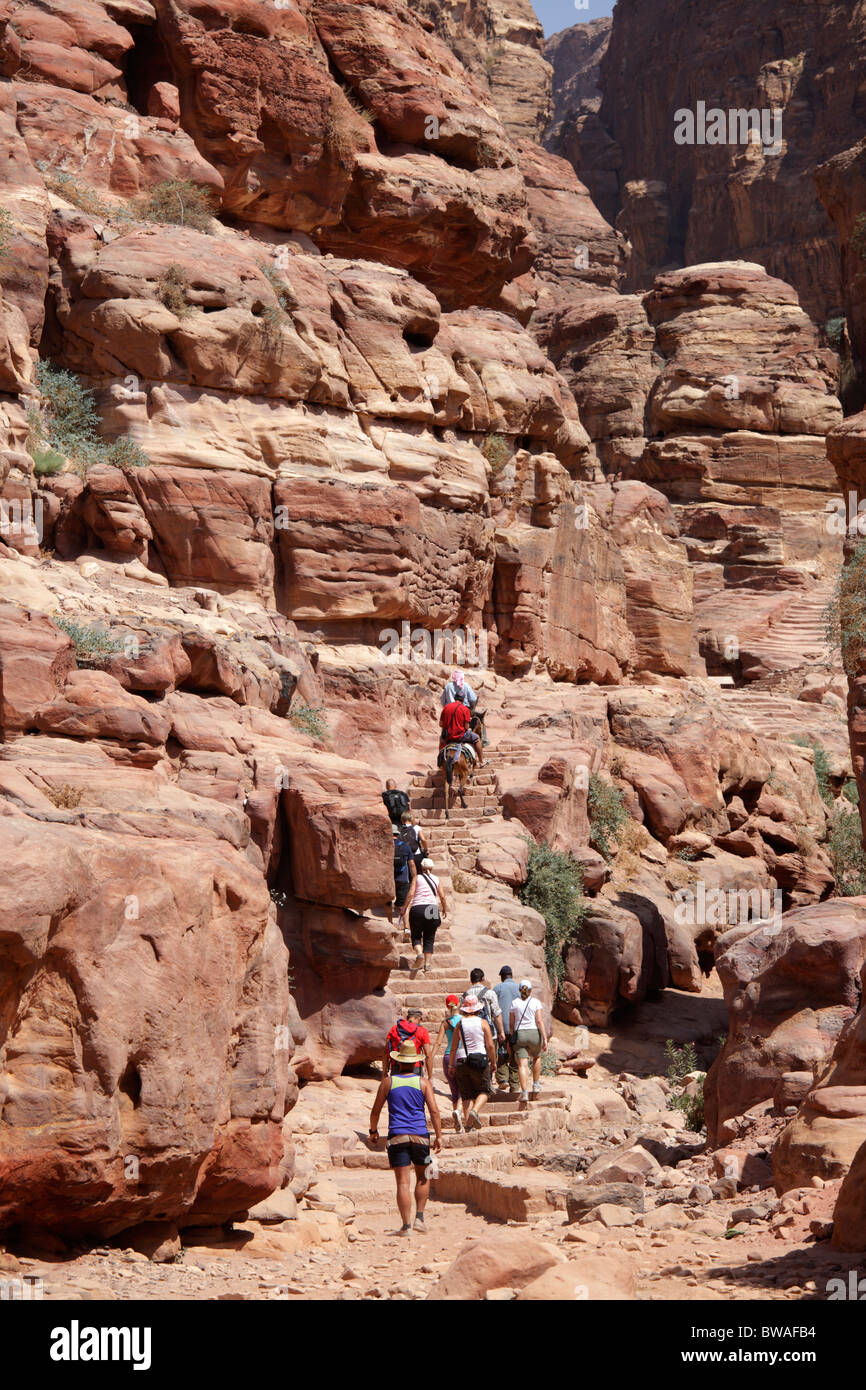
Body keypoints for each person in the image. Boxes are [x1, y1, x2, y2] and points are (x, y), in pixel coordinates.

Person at [369, 1038, 442, 1236]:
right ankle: (419, 1217)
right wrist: (439, 1136)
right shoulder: (423, 1083)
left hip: (397, 1137)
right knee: (423, 1177)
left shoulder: (388, 1083)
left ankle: (406, 1226)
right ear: (416, 1062)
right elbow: (434, 1111)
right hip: (421, 1137)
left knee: (402, 1182)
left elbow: (375, 1111)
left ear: (398, 1061)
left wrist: (373, 1131)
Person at [448, 994, 496, 1131]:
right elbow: (490, 1045)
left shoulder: (460, 1023)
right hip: (480, 1059)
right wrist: (493, 1062)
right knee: (485, 1091)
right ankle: (474, 1112)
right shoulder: (482, 1022)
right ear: (478, 1009)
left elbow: (453, 1047)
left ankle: (468, 1126)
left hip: (462, 1059)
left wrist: (451, 1065)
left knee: (466, 1094)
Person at [401, 857, 448, 972]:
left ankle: (419, 953)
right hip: (432, 908)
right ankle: (427, 965)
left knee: (416, 935)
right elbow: (442, 896)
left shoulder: (417, 878)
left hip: (418, 908)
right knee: (429, 937)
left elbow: (411, 893)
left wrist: (404, 907)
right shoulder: (436, 879)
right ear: (431, 868)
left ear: (421, 868)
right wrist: (444, 908)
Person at [509, 979, 548, 1103]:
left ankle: (524, 1092)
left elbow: (511, 1023)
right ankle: (536, 1084)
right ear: (530, 990)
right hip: (534, 1033)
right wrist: (545, 1037)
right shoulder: (535, 1002)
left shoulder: (514, 1003)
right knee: (536, 1057)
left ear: (520, 990)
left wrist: (512, 1035)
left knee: (522, 1064)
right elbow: (539, 1021)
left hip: (520, 1034)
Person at [431, 994, 464, 1132]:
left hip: (447, 1056)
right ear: (458, 1005)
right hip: (462, 1055)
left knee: (454, 1090)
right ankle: (459, 1113)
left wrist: (430, 1057)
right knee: (464, 1090)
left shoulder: (445, 1023)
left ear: (447, 1006)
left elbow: (438, 1042)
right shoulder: (464, 1020)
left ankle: (457, 1120)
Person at [460, 968, 505, 1049]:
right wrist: (501, 1031)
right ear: (483, 978)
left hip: (471, 1035)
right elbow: (497, 1014)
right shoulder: (490, 993)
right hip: (489, 1033)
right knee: (492, 1060)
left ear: (471, 980)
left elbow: (461, 1015)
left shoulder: (464, 996)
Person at [493, 966, 521, 1095]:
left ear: (502, 976)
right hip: (516, 1026)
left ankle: (503, 1078)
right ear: (511, 975)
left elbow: (494, 1007)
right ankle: (515, 1085)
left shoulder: (498, 988)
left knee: (502, 1051)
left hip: (502, 1026)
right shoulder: (519, 988)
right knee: (515, 1055)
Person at [383, 1009, 432, 1080]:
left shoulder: (394, 1029)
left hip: (396, 1066)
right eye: (420, 1019)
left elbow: (385, 1052)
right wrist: (430, 1077)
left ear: (407, 1018)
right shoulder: (422, 1031)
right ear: (418, 1018)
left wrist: (384, 1073)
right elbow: (428, 1055)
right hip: (415, 1067)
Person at [439, 700, 483, 766]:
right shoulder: (464, 709)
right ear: (462, 700)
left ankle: (440, 760)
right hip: (461, 736)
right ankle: (481, 761)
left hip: (448, 736)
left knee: (441, 740)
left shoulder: (446, 707)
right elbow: (466, 727)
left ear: (454, 699)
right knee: (476, 738)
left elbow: (441, 724)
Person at [392, 824, 414, 928]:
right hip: (403, 878)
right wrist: (415, 877)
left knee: (387, 903)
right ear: (397, 834)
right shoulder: (405, 846)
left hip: (389, 879)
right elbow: (412, 864)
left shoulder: (385, 846)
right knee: (404, 905)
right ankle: (406, 927)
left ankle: (390, 924)